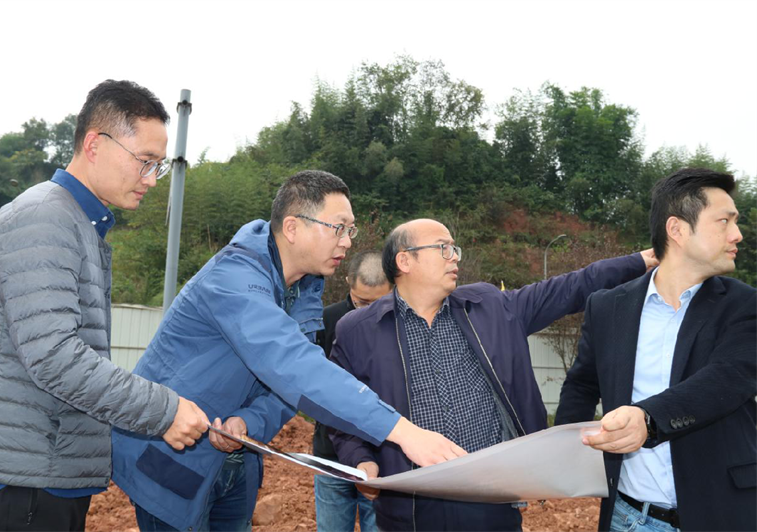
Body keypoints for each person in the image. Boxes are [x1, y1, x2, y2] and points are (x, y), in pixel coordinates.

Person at [111, 171, 466, 532]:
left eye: (351, 230)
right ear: (293, 227)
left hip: (236, 457)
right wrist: (403, 431)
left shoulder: (304, 288)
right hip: (173, 455)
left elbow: (287, 389)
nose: (347, 242)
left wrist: (250, 420)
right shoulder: (234, 277)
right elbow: (295, 366)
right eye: (338, 228)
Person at [0, 80, 210, 532]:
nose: (152, 179)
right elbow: (55, 357)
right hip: (17, 480)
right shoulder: (43, 218)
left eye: (158, 165)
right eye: (145, 161)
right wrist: (163, 411)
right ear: (94, 144)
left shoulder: (79, 223)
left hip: (41, 471)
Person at [329, 218, 657, 532]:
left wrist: (641, 261)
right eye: (443, 248)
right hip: (409, 510)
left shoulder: (490, 307)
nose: (455, 257)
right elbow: (342, 412)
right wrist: (361, 461)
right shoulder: (358, 331)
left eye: (455, 248)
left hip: (490, 502)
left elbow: (570, 287)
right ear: (405, 260)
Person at [555, 168, 757, 532]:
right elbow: (582, 385)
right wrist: (563, 455)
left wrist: (647, 420)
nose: (737, 234)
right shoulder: (607, 307)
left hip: (723, 514)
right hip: (627, 517)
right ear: (677, 229)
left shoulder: (745, 306)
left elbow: (728, 378)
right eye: (724, 221)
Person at [314, 250, 392, 532]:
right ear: (348, 281)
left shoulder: (400, 323)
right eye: (361, 302)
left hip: (383, 457)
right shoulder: (326, 320)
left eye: (377, 302)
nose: (368, 311)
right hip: (331, 455)